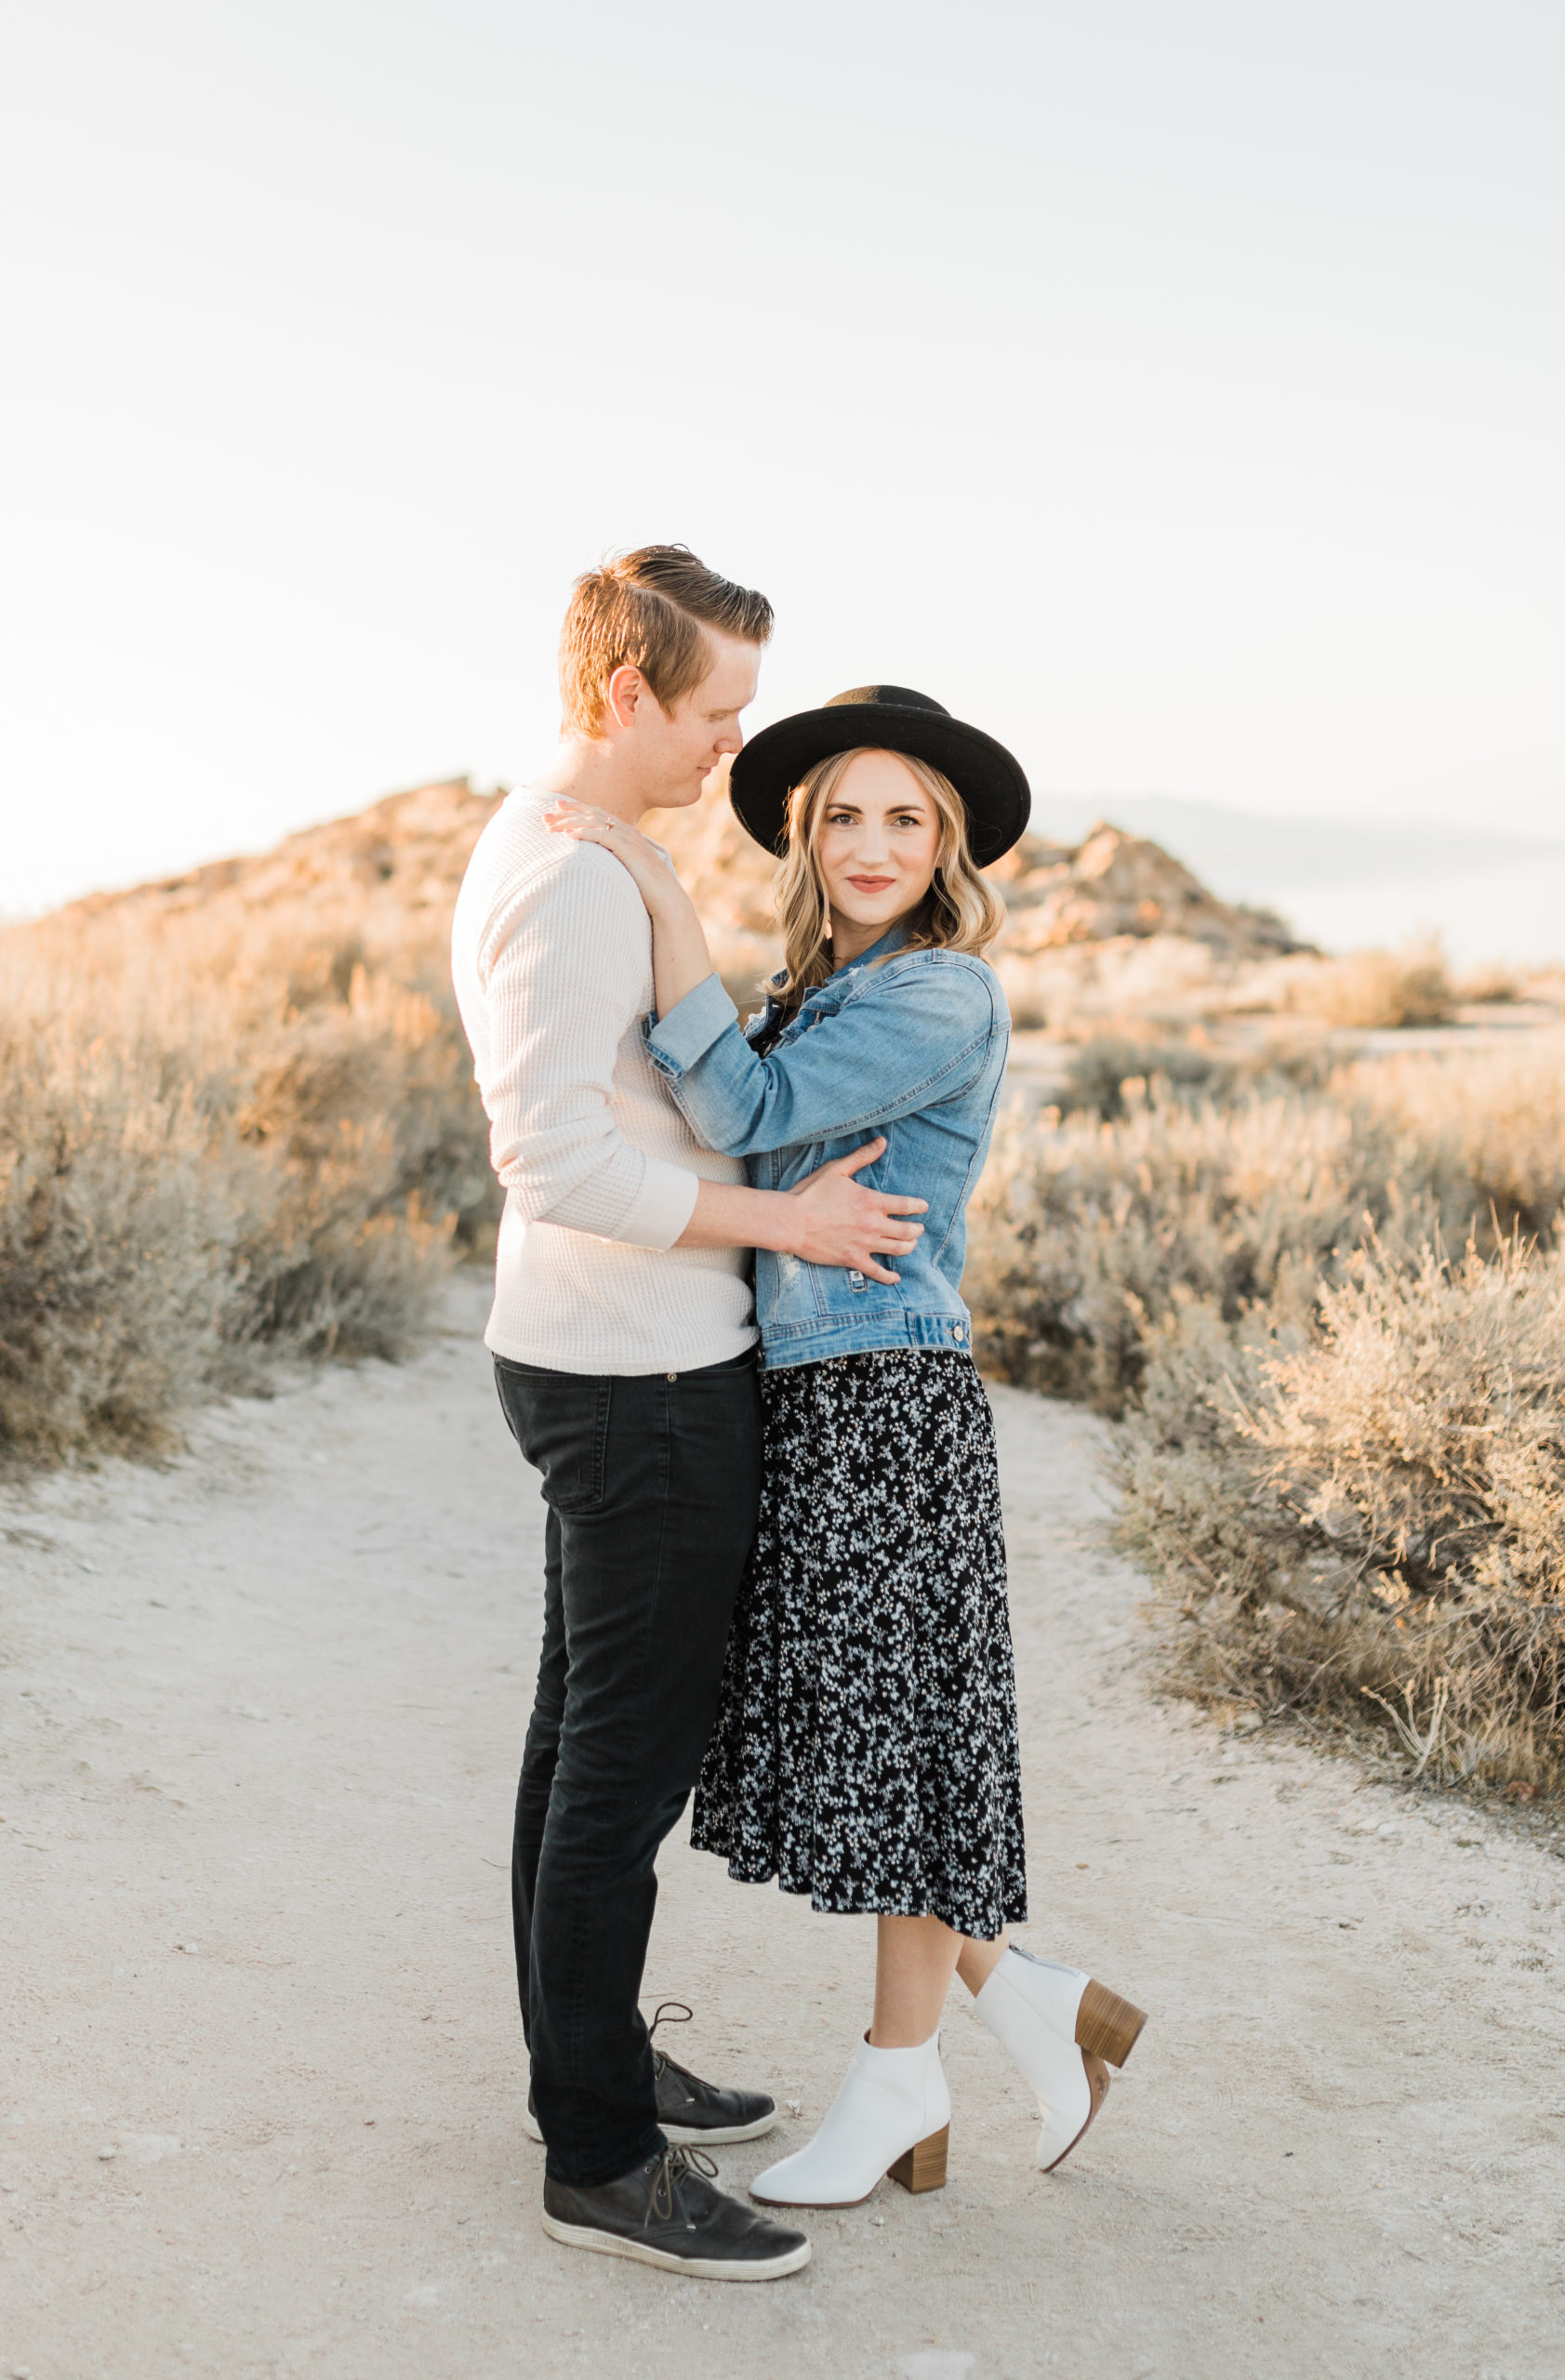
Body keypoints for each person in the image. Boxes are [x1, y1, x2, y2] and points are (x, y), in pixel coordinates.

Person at [547, 682, 1147, 2212]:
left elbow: (744, 1116)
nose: (872, 844)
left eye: (905, 819)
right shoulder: (831, 982)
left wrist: (661, 897)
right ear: (808, 839)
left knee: (894, 1749)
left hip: (883, 1398)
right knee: (873, 1742)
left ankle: (904, 2076)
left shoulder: (937, 991)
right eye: (843, 817)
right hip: (816, 1389)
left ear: (947, 845)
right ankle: (1025, 2002)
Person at [450, 552, 933, 2281]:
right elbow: (556, 1161)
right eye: (718, 705)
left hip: (618, 1354)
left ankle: (580, 2068)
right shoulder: (569, 884)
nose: (739, 737)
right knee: (619, 1774)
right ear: (623, 696)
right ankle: (601, 2155)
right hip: (637, 1375)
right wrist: (788, 1221)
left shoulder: (596, 856)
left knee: (579, 1735)